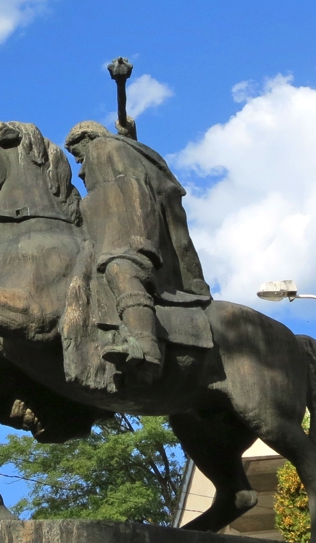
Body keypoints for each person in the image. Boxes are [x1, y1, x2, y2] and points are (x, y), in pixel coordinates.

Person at [63, 121, 209, 382]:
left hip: (129, 236)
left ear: (87, 138)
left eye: (77, 153)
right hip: (112, 234)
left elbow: (134, 193)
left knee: (121, 271)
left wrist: (136, 240)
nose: (79, 164)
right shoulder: (109, 154)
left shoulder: (104, 148)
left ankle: (146, 348)